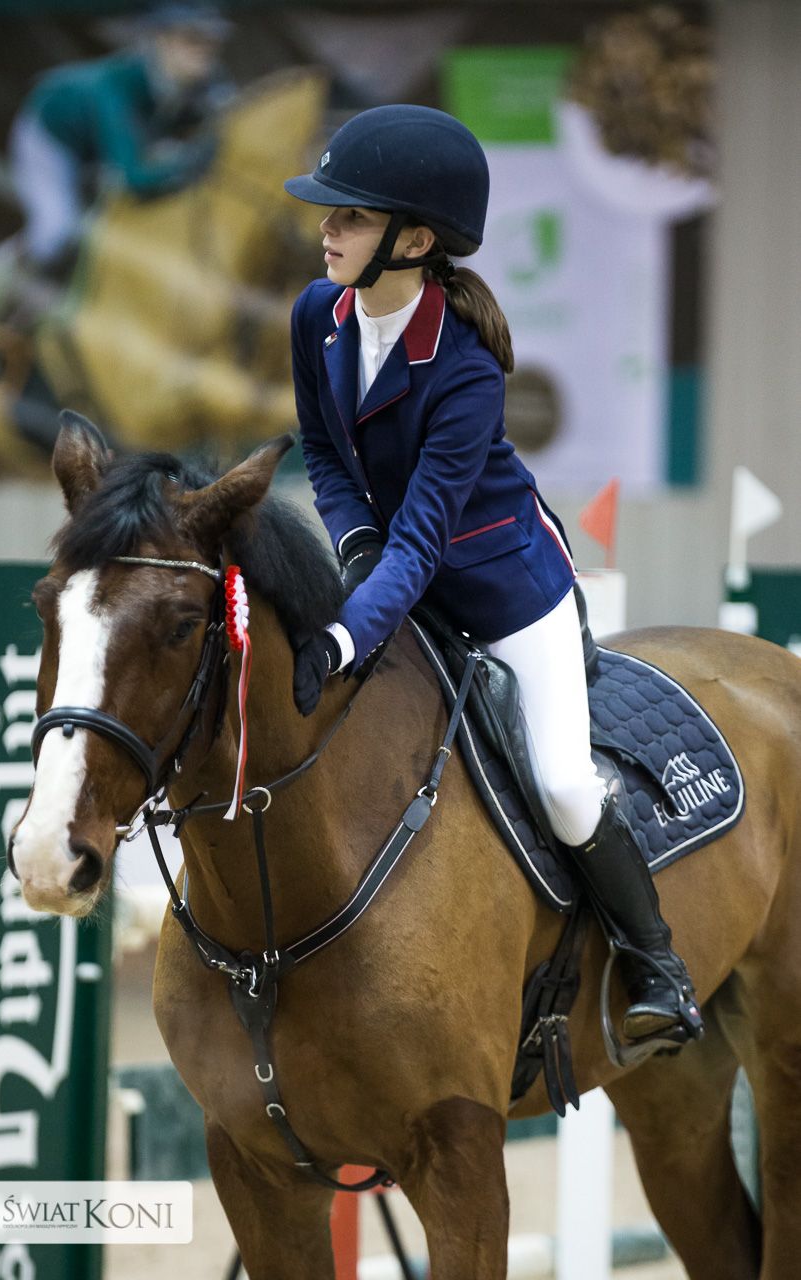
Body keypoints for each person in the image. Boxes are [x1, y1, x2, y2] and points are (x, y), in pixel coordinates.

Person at [283, 104, 703, 1046]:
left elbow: (426, 538)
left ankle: (658, 967)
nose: (327, 229)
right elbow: (322, 452)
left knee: (562, 785)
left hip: (504, 593)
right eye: (331, 213)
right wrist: (353, 545)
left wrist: (346, 636)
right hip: (394, 569)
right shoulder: (317, 315)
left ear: (413, 240)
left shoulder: (466, 369)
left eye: (350, 216)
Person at [8, 1, 232, 278]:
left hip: (104, 145)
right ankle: (9, 280)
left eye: (212, 41)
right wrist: (188, 163)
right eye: (192, 38)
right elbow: (134, 180)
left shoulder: (210, 83)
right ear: (160, 40)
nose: (204, 50)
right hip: (52, 137)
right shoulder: (115, 86)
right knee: (58, 231)